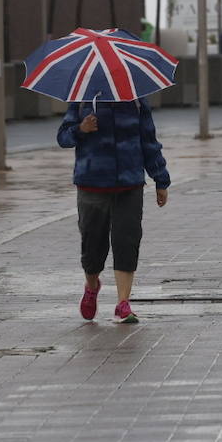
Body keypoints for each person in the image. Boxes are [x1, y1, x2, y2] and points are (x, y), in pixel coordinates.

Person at [57, 98, 171, 324]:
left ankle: (123, 303)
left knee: (127, 241)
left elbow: (149, 141)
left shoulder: (136, 101)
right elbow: (63, 137)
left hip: (129, 183)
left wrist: (161, 179)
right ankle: (91, 286)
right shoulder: (81, 100)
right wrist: (81, 128)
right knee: (93, 244)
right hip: (92, 182)